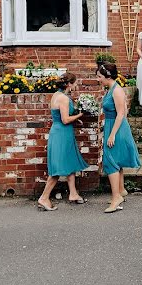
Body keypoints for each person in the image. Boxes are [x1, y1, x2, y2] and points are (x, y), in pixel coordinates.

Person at [37, 73, 88, 211]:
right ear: (69, 84)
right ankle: (44, 198)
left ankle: (73, 194)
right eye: (75, 83)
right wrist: (80, 114)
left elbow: (60, 117)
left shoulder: (56, 95)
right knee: (58, 168)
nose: (76, 85)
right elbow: (65, 119)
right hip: (62, 134)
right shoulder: (64, 98)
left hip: (59, 131)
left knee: (69, 162)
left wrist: (75, 119)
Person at [97, 63, 141, 213]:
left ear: (107, 76)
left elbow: (122, 113)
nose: (99, 79)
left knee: (110, 162)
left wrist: (113, 134)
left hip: (116, 128)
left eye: (100, 77)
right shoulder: (111, 89)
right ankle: (121, 190)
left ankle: (116, 197)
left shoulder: (117, 91)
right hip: (114, 126)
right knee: (116, 160)